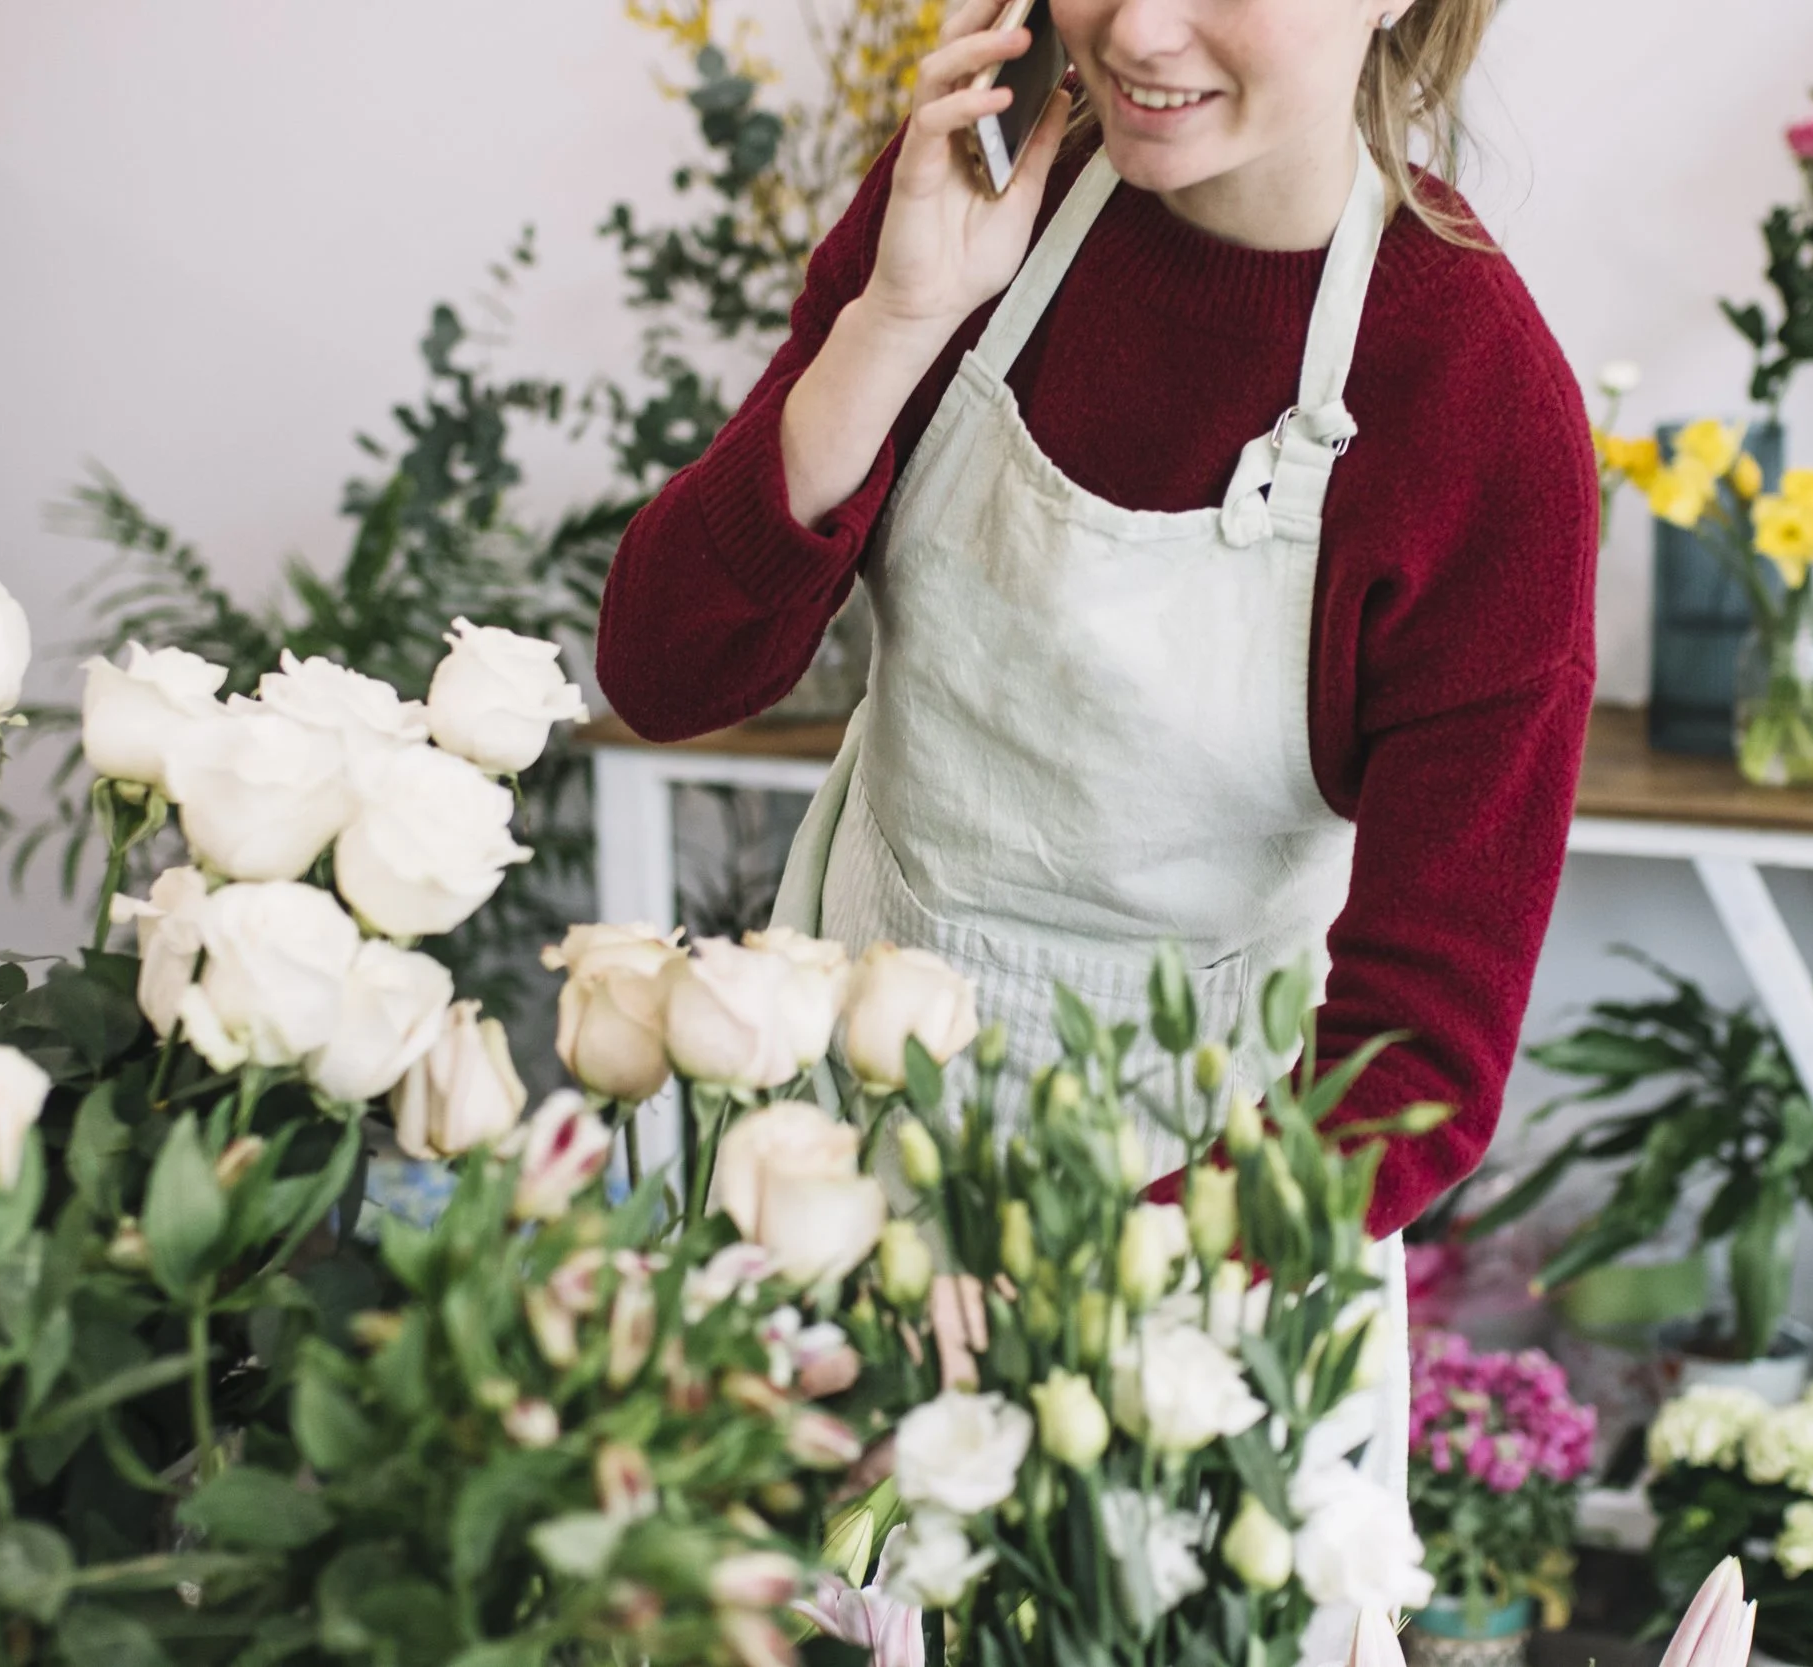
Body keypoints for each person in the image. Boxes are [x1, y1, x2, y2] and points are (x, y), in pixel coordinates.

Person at [599, 0, 1597, 1239]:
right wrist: (895, 321)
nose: (1135, 31)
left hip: (1185, 1259)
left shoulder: (1477, 409)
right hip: (818, 1156)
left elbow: (1417, 1063)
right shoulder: (972, 203)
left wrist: (1079, 1300)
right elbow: (661, 671)